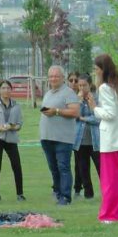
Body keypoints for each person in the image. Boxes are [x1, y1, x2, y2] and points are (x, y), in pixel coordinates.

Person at [89, 54, 118, 223]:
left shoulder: (104, 88)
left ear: (103, 70)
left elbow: (109, 114)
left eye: (96, 69)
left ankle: (111, 213)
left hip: (111, 138)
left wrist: (95, 108)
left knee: (110, 179)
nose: (95, 72)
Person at [40, 65, 81, 205]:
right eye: (51, 76)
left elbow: (75, 112)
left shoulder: (69, 92)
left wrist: (56, 111)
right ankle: (57, 192)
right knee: (53, 168)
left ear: (63, 77)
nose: (53, 79)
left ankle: (65, 197)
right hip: (47, 137)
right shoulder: (48, 93)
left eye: (56, 76)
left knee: (63, 167)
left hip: (62, 138)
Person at [0, 80, 25, 201]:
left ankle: (20, 194)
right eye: (3, 88)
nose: (6, 90)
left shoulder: (16, 105)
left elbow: (19, 124)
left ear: (11, 90)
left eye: (8, 88)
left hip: (11, 138)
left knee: (16, 165)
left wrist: (12, 127)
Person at [73, 74, 101, 199]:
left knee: (101, 169)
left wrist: (83, 118)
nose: (82, 88)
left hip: (96, 141)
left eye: (84, 85)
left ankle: (107, 192)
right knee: (83, 170)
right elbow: (73, 116)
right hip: (80, 141)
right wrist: (78, 101)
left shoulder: (97, 98)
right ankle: (89, 195)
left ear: (90, 85)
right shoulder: (75, 99)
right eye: (80, 85)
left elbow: (98, 118)